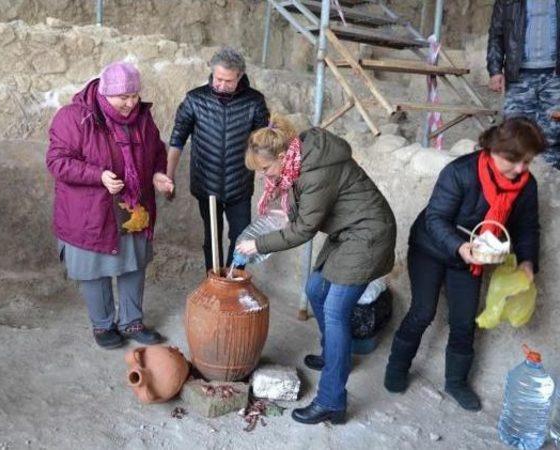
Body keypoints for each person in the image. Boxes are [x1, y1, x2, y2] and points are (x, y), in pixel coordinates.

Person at [236, 115, 397, 425]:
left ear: (283, 156)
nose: (263, 175)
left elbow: (304, 229)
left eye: (265, 168)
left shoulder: (315, 170)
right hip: (348, 231)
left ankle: (332, 402)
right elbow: (300, 211)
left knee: (337, 312)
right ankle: (336, 355)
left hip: (368, 235)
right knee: (315, 289)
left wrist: (259, 245)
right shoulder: (299, 161)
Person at [384, 117, 544, 411]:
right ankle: (396, 367)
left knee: (464, 320)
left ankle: (456, 382)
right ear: (494, 149)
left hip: (473, 256)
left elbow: (527, 228)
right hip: (431, 247)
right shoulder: (461, 172)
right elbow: (435, 218)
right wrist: (460, 246)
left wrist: (527, 262)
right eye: (514, 160)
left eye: (528, 161)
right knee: (422, 312)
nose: (520, 169)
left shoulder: (526, 185)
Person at [46, 61, 174, 349]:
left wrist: (157, 174)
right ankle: (103, 326)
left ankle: (132, 322)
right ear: (105, 94)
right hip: (89, 211)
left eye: (134, 96)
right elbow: (57, 162)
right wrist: (98, 175)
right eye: (123, 98)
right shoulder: (73, 118)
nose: (130, 103)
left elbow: (155, 151)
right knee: (94, 270)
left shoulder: (142, 118)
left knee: (133, 265)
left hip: (132, 208)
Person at [167, 47, 269, 271]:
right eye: (218, 79)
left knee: (241, 237)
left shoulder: (254, 102)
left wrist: (270, 178)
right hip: (206, 183)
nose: (222, 85)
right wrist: (169, 176)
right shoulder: (195, 99)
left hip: (240, 184)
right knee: (211, 236)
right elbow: (177, 140)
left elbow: (263, 144)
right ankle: (212, 283)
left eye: (228, 81)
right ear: (212, 73)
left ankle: (233, 282)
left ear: (240, 76)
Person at [487, 0, 560, 169]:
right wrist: (495, 70)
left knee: (553, 135)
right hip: (519, 76)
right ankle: (515, 187)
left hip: (555, 78)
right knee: (513, 134)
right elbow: (496, 34)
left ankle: (549, 186)